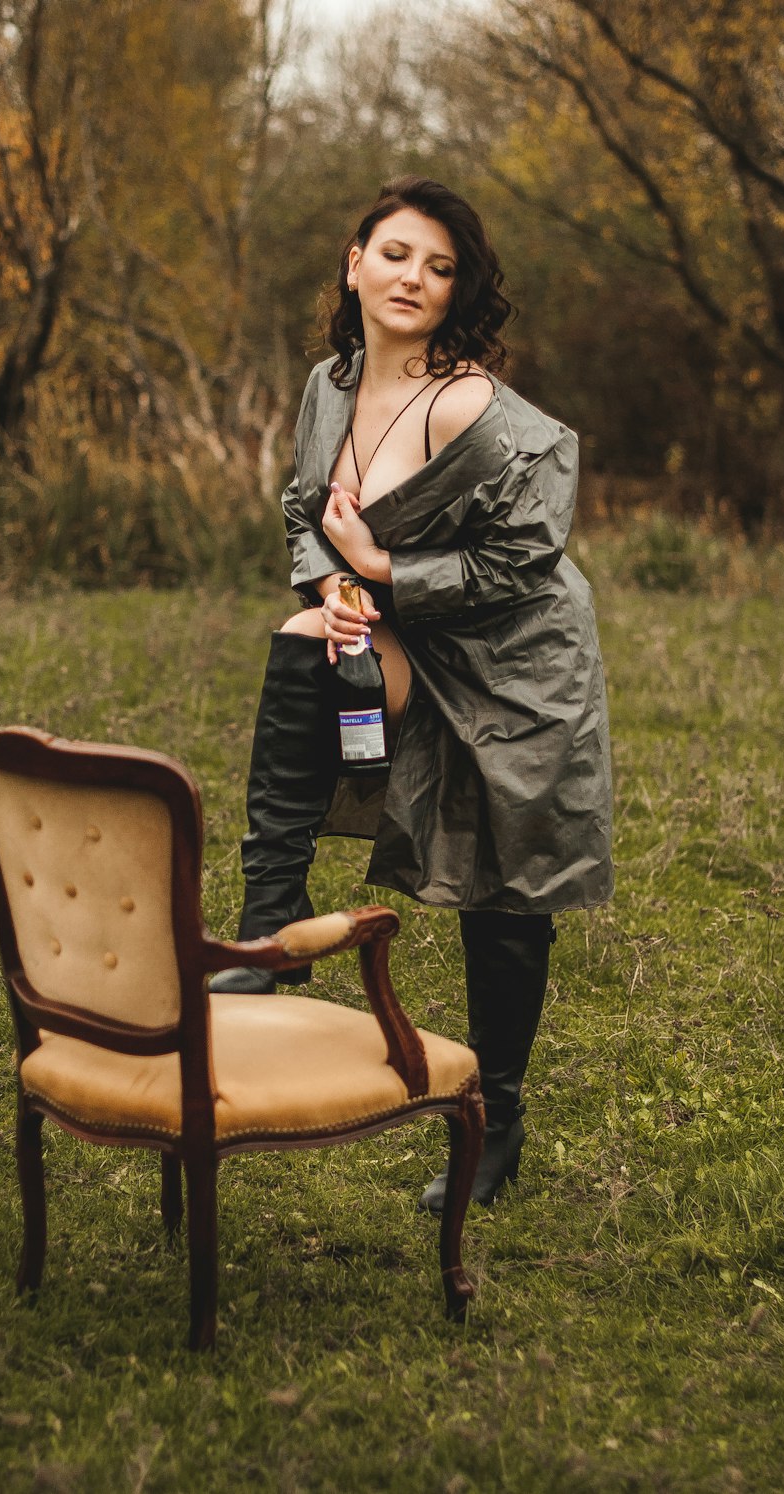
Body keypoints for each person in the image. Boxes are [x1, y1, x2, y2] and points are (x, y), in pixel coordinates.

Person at [211, 176, 613, 1212]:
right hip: (407, 635)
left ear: (455, 292)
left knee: (504, 890)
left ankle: (498, 1120)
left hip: (516, 657)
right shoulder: (329, 385)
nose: (413, 280)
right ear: (354, 261)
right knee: (307, 644)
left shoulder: (475, 408)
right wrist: (342, 589)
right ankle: (269, 930)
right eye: (395, 255)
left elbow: (523, 561)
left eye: (439, 268)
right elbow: (306, 509)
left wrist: (383, 572)